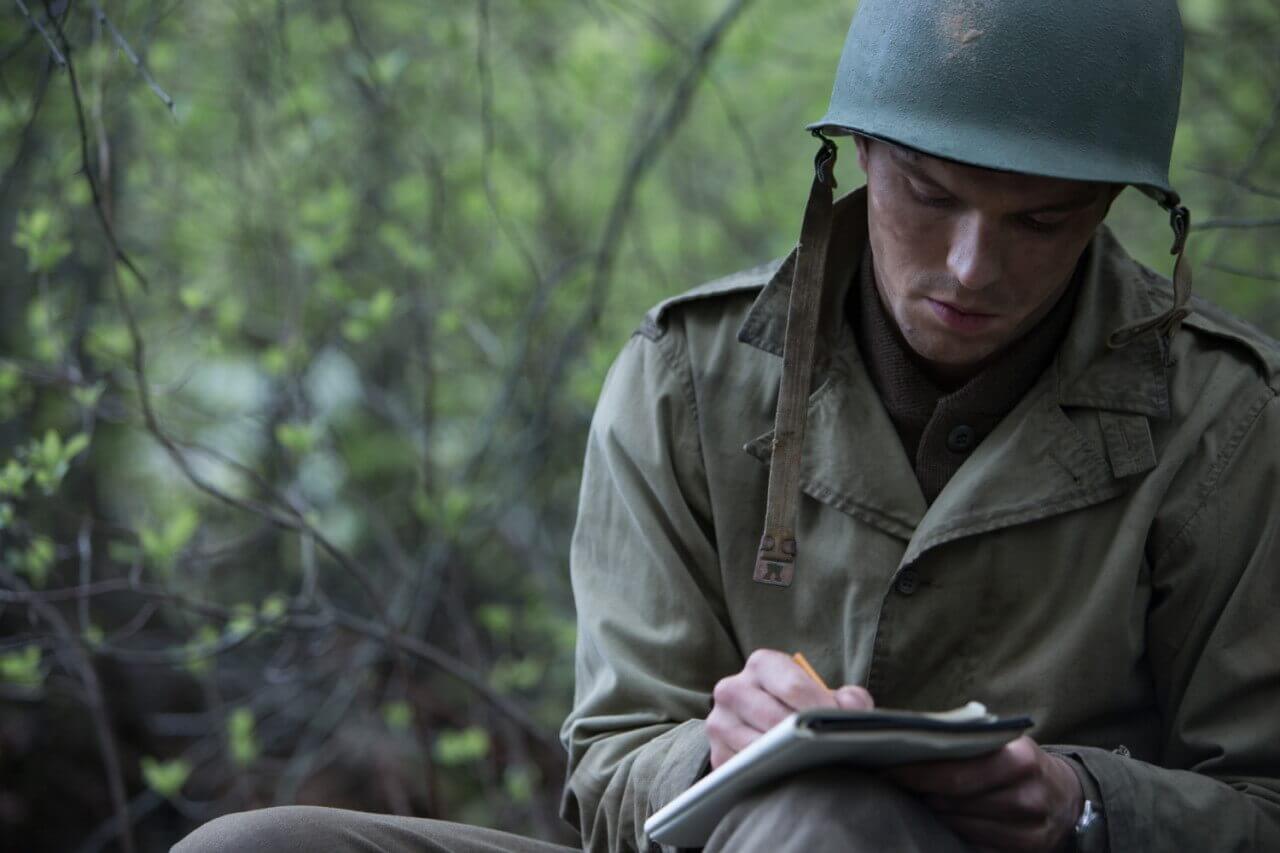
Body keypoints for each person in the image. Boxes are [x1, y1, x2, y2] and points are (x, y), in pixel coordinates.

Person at [175, 1, 1280, 851]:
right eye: (930, 196)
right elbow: (609, 766)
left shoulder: (1224, 419)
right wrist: (717, 745)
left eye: (1039, 221)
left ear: (1111, 210)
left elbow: (1262, 799)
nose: (967, 267)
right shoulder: (685, 379)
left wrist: (1077, 803)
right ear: (856, 156)